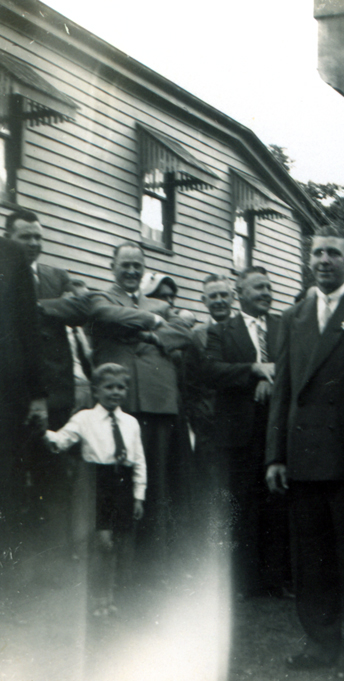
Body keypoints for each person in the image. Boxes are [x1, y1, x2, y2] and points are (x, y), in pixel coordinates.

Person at [265, 228, 344, 678]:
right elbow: (284, 391)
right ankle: (320, 644)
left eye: (333, 253)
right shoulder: (293, 317)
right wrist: (275, 455)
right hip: (303, 458)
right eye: (317, 253)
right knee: (312, 562)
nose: (324, 260)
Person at [87, 242, 192, 576]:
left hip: (159, 405)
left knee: (156, 486)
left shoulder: (161, 303)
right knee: (119, 487)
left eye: (137, 265)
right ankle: (119, 570)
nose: (131, 271)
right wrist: (150, 320)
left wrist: (153, 336)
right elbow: (105, 316)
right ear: (112, 265)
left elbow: (184, 332)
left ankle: (154, 566)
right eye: (125, 264)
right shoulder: (101, 298)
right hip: (120, 407)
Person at [6, 210, 91, 572]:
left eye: (38, 237)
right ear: (9, 238)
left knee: (52, 480)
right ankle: (15, 561)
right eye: (26, 237)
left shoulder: (56, 276)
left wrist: (30, 307)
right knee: (11, 482)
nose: (34, 244)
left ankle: (52, 561)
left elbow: (80, 306)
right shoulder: (4, 273)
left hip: (53, 396)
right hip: (12, 397)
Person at [204, 266, 288, 598]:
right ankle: (242, 582)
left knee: (277, 504)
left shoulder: (285, 326)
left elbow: (298, 364)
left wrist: (271, 379)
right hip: (239, 433)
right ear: (240, 293)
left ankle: (276, 579)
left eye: (269, 287)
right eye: (258, 288)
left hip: (277, 429)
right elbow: (210, 371)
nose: (266, 293)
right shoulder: (222, 331)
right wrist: (254, 370)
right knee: (242, 505)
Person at [45, 363, 146, 617]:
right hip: (97, 483)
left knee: (115, 544)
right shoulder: (85, 418)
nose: (115, 392)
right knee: (101, 542)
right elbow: (62, 439)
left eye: (121, 387)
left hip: (122, 482)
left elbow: (139, 460)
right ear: (96, 390)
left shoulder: (131, 422)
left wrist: (138, 495)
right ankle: (96, 597)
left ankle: (109, 596)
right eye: (109, 387)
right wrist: (44, 433)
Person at [0, 236, 44, 587]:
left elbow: (30, 327)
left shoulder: (11, 253)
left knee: (7, 483)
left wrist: (38, 394)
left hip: (6, 390)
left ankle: (7, 576)